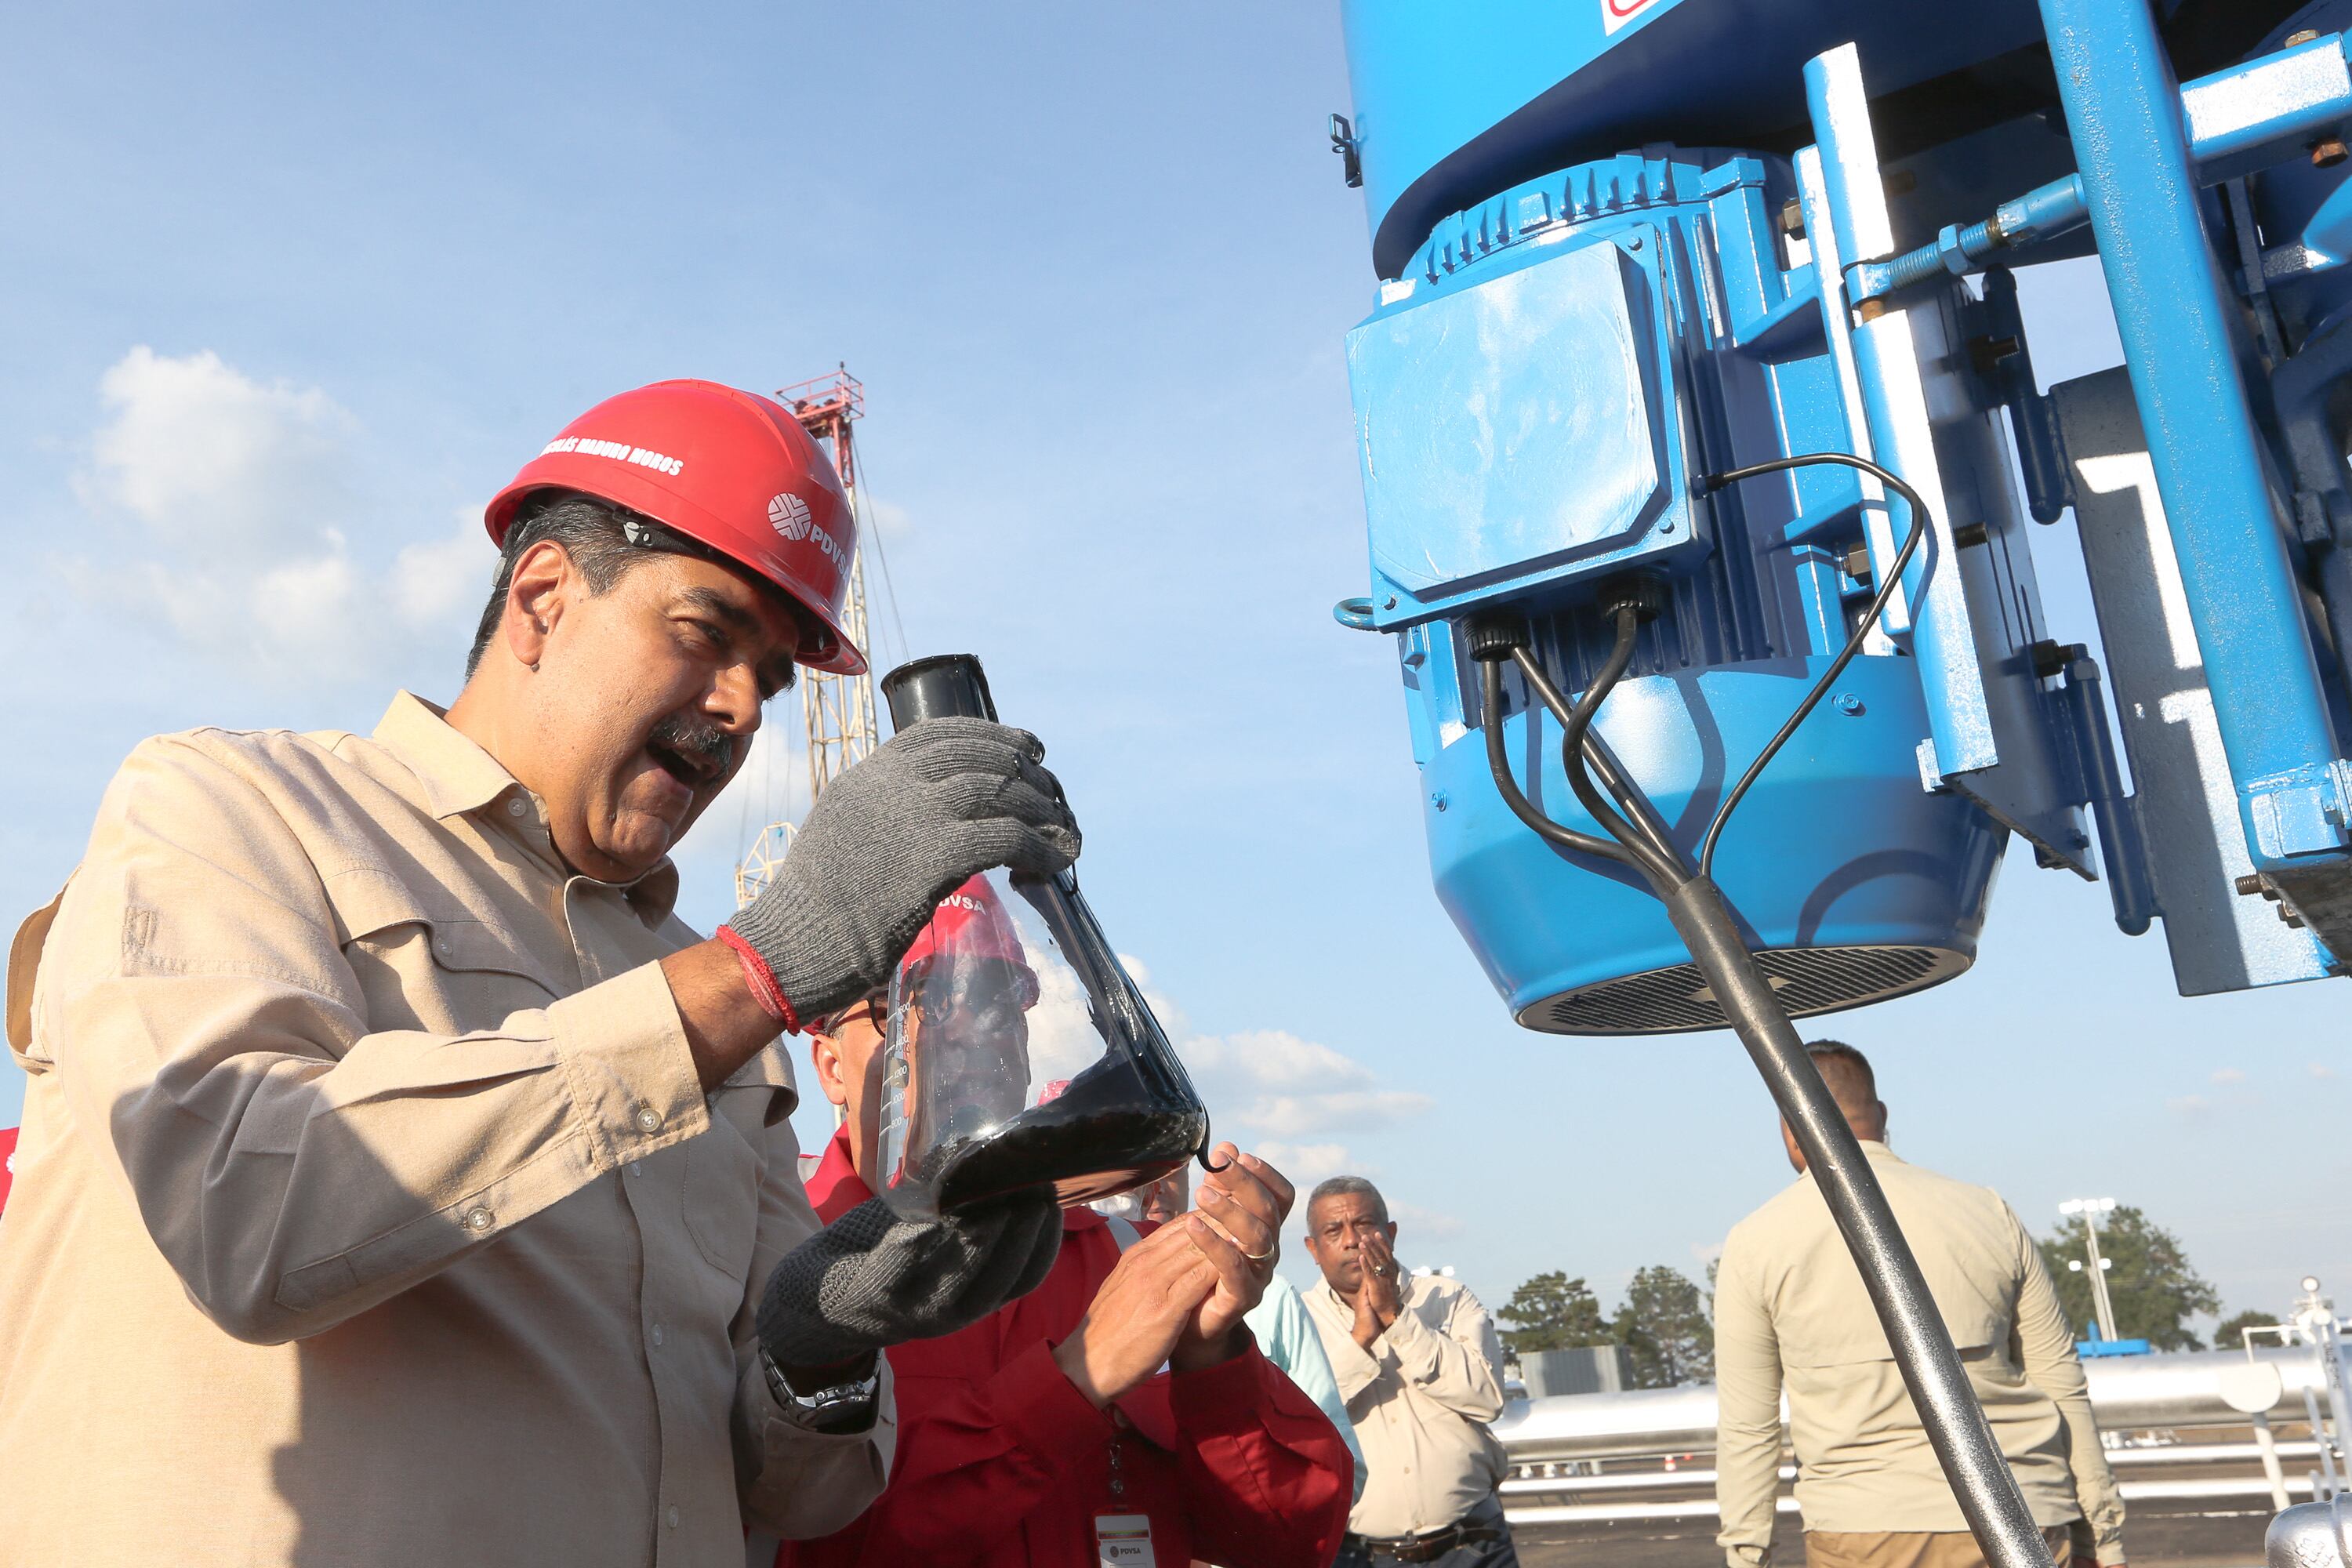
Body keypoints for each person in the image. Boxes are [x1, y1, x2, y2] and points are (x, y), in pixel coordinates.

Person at [0, 379, 1080, 1566]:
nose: (737, 709)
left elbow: (795, 1499)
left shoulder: (714, 1002)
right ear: (544, 598)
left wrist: (819, 1350)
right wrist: (751, 974)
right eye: (707, 633)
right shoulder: (232, 811)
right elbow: (248, 1222)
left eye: (767, 681)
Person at [783, 949, 1354, 1568]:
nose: (967, 1030)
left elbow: (1292, 1541)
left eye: (998, 1001)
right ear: (831, 1065)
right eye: (912, 1001)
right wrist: (1078, 1376)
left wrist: (1213, 1361)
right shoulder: (778, 1270)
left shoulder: (1122, 1256)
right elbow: (806, 1545)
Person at [1713, 1040, 2128, 1568]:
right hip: (2024, 1513)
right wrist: (2104, 1539)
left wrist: (1747, 1555)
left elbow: (1750, 1425)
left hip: (1863, 1528)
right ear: (1882, 1117)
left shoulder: (1756, 1242)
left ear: (1789, 1130)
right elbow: (2061, 1383)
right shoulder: (1988, 1212)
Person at [1115, 1165, 1367, 1504]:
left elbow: (1342, 1477)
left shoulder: (1272, 1298)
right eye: (1128, 1164)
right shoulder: (1053, 1301)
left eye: (1172, 1166)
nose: (1154, 1185)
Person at [1301, 1176, 1517, 1568]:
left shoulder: (1446, 1298)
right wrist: (1361, 1339)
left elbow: (1487, 1398)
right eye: (1334, 1230)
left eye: (1365, 1224)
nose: (1352, 1240)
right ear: (1313, 1249)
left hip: (1472, 1543)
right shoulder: (1300, 1319)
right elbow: (1301, 1418)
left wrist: (1396, 1319)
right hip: (1360, 1554)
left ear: (1391, 1233)